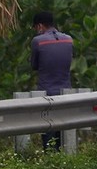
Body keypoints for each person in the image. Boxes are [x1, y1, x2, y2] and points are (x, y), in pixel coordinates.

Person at [30, 11, 74, 150]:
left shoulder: (38, 41)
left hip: (47, 92)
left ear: (40, 26)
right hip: (66, 92)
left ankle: (50, 158)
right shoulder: (69, 39)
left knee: (48, 129)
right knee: (63, 129)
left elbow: (34, 66)